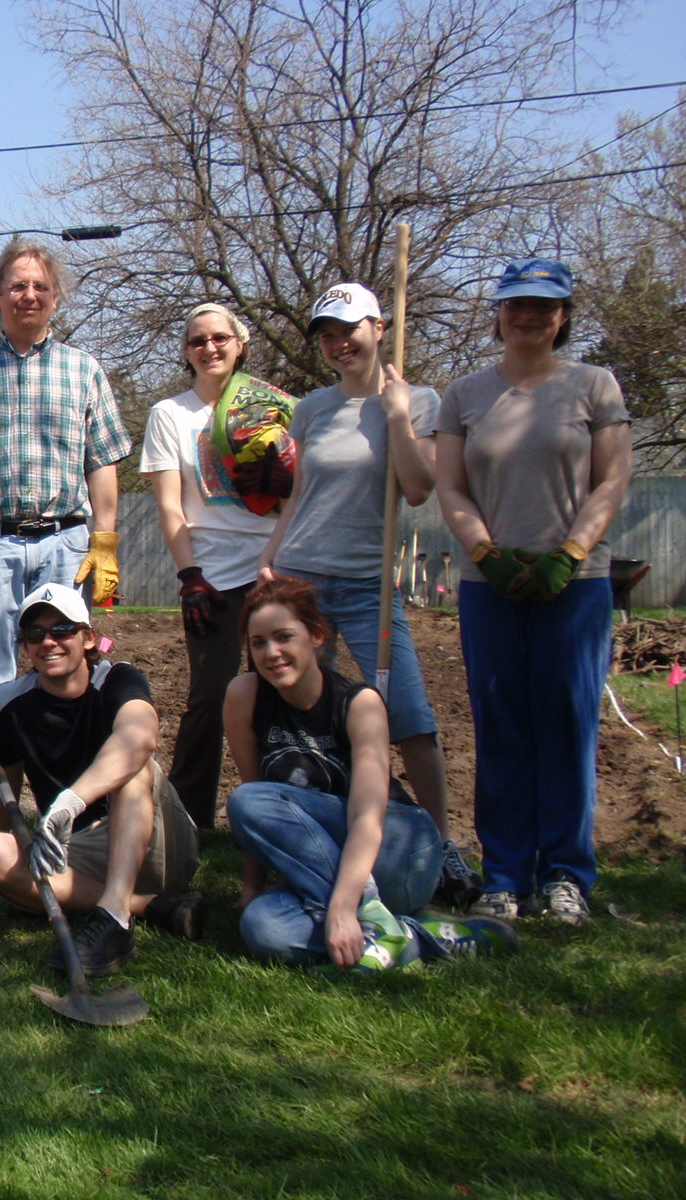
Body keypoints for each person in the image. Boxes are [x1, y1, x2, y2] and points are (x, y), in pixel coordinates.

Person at [257, 282, 480, 908]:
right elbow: (298, 497)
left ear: (379, 328)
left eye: (347, 329)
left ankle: (440, 844)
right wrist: (270, 558)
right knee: (298, 716)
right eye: (326, 334)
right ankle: (303, 837)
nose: (337, 343)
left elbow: (417, 488)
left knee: (406, 713)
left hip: (364, 584)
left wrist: (401, 415)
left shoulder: (419, 400)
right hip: (300, 577)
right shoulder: (311, 408)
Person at [435, 258, 631, 926]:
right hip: (488, 585)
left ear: (563, 317)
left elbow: (611, 480)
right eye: (516, 304)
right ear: (498, 314)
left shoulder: (594, 386)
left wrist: (570, 553)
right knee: (501, 727)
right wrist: (485, 554)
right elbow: (452, 487)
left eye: (544, 307)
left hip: (573, 586)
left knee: (568, 724)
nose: (529, 316)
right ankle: (506, 875)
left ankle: (567, 875)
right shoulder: (465, 394)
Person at [224, 579, 518, 972]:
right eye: (258, 642)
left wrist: (346, 906)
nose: (271, 653)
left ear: (316, 636)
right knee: (262, 927)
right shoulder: (245, 695)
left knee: (251, 801)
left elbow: (366, 815)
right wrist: (252, 888)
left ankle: (365, 916)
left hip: (400, 852)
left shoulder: (359, 703)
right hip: (325, 865)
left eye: (284, 637)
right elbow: (257, 812)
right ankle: (415, 937)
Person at [0, 240, 132, 796]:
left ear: (56, 297)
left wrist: (105, 540)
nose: (29, 295)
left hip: (66, 541)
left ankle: (71, 789)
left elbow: (103, 461)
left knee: (67, 668)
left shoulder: (83, 370)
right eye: (17, 285)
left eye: (40, 286)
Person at [0, 583, 203, 978]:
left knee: (134, 767)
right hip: (77, 851)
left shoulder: (118, 680)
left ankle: (114, 915)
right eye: (35, 634)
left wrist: (72, 800)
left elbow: (140, 736)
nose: (49, 642)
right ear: (24, 645)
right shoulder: (8, 703)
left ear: (89, 637)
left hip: (155, 839)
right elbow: (3, 786)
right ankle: (146, 906)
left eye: (62, 630)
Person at [140, 302, 286, 829]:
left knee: (283, 692)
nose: (210, 348)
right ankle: (186, 820)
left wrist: (278, 558)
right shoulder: (170, 415)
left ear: (240, 343)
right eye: (198, 341)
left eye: (220, 338)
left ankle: (282, 808)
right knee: (209, 697)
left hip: (275, 571)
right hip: (212, 577)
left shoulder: (274, 408)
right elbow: (169, 505)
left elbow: (295, 498)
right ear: (186, 352)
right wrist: (190, 576)